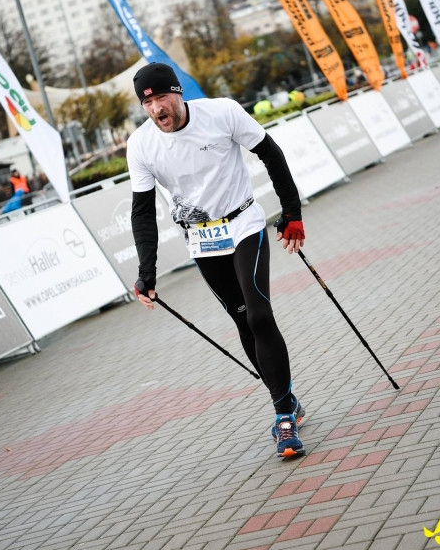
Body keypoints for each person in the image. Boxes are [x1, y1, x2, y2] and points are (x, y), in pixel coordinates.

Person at [127, 63, 308, 459]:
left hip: (243, 223)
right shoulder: (141, 145)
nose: (158, 109)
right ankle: (287, 399)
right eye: (149, 102)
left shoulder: (221, 112)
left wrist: (291, 211)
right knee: (243, 320)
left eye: (163, 98)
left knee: (260, 314)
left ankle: (283, 420)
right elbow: (142, 213)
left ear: (179, 94)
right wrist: (147, 272)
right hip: (203, 240)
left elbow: (270, 153)